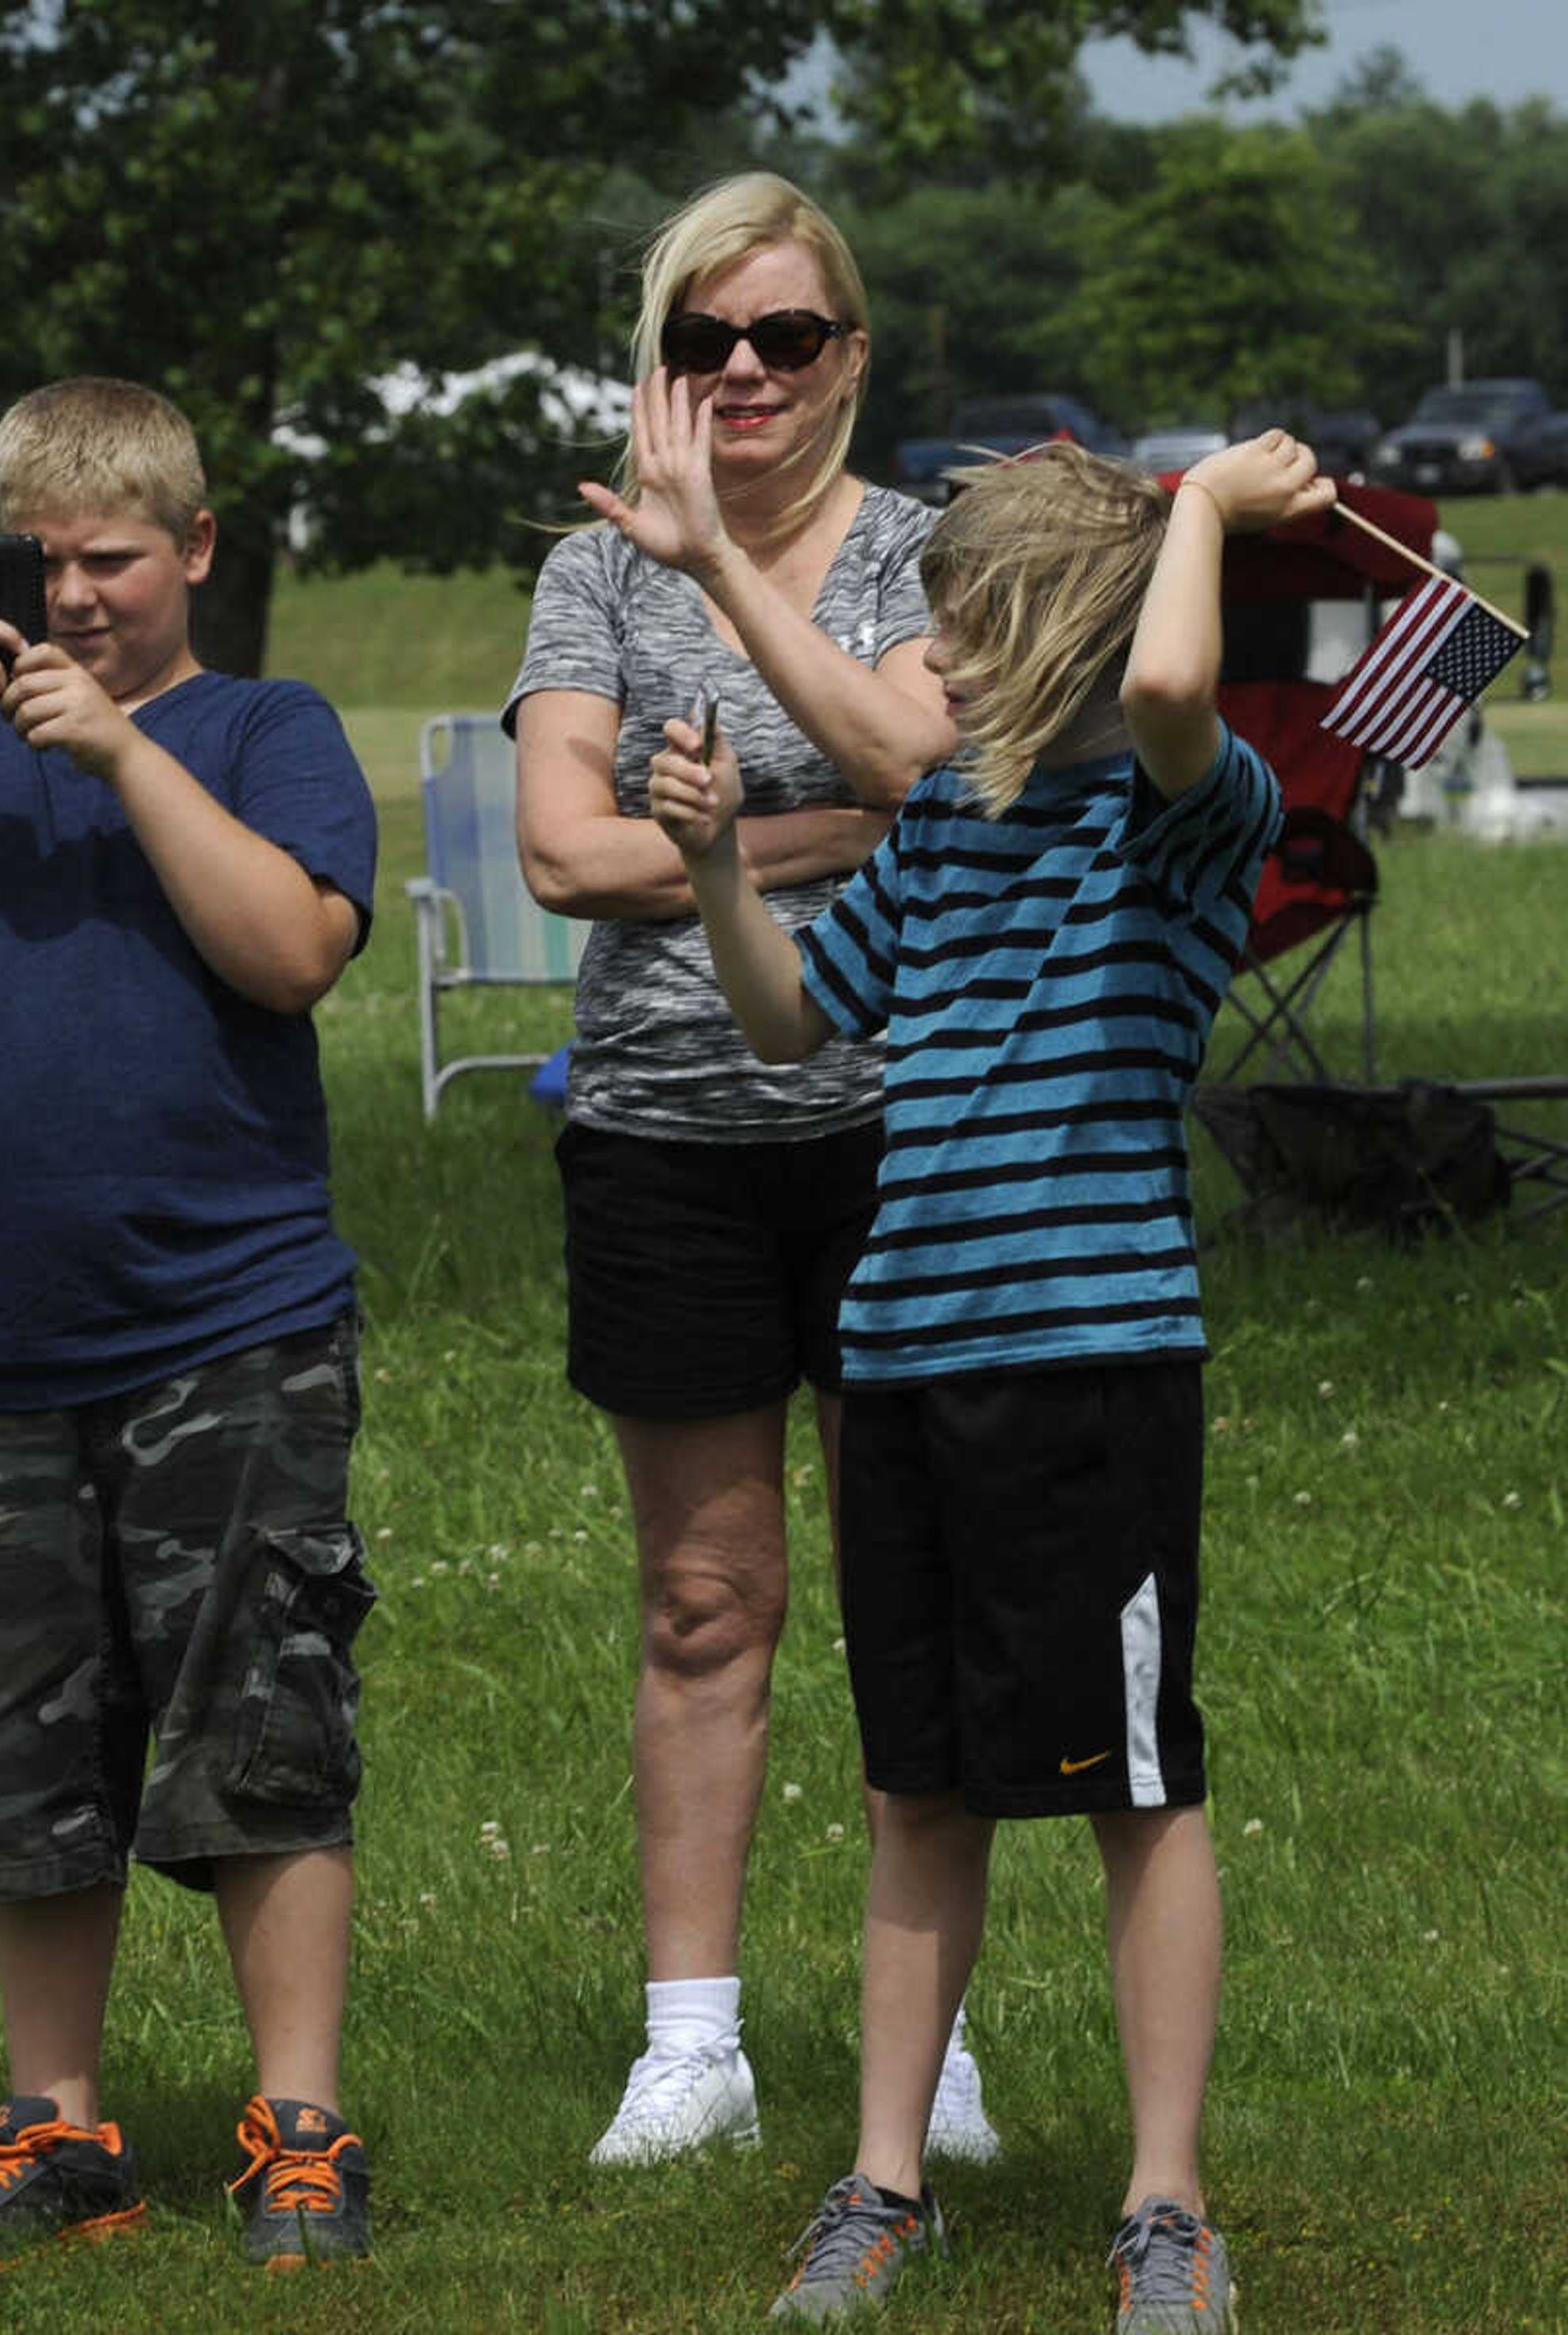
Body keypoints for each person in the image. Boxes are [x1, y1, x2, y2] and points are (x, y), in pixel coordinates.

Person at [648, 431, 1312, 2329]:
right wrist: (710, 868)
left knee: (1133, 1779)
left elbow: (1176, 680)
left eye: (951, 625)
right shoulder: (942, 827)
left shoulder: (1183, 808)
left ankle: (1164, 2203)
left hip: (1086, 1370)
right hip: (909, 1365)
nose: (916, 665)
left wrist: (1189, 503)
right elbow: (789, 1024)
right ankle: (880, 2184)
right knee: (916, 1790)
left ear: (1049, 630)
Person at [0, 378, 382, 2270]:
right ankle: (53, 2128)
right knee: (12, 1752)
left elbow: (290, 948)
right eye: (31, 566)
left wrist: (127, 757)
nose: (68, 603)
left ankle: (297, 2123)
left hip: (224, 1322)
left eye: (107, 563)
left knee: (259, 1714)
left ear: (193, 551)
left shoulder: (259, 728)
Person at [502, 171, 995, 2165]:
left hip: (905, 1129)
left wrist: (731, 812)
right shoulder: (590, 573)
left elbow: (922, 757)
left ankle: (928, 2039)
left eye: (781, 338)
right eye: (699, 341)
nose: (739, 374)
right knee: (702, 1600)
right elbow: (555, 856)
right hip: (665, 1135)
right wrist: (808, 842)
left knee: (914, 1590)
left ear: (848, 357)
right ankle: (687, 2039)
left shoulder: (935, 552)